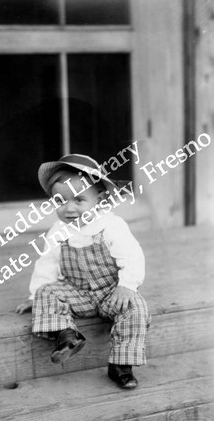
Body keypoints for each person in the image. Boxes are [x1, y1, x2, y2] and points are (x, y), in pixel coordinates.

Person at [16, 154, 150, 389]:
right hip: (78, 293)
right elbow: (47, 264)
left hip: (111, 293)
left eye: (79, 200)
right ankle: (68, 335)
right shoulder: (58, 231)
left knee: (135, 307)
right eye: (60, 200)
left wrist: (126, 285)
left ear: (100, 199)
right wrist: (34, 296)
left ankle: (121, 365)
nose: (69, 209)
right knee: (46, 292)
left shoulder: (111, 225)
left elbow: (132, 256)